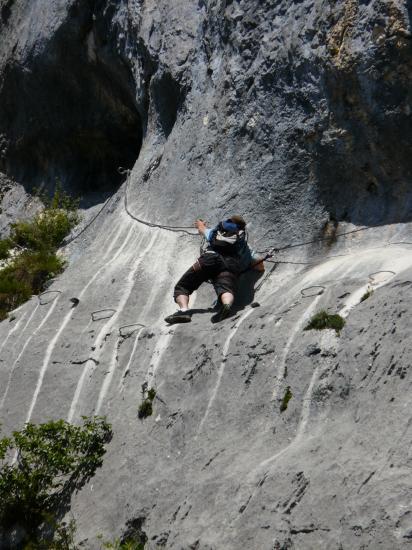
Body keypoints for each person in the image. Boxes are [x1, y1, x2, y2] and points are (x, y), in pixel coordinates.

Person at [164, 215, 263, 324]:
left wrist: (200, 224)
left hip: (209, 260)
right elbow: (258, 263)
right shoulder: (245, 246)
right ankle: (226, 305)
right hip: (229, 266)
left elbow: (202, 229)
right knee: (225, 289)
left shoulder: (216, 233)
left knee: (183, 286)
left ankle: (183, 311)